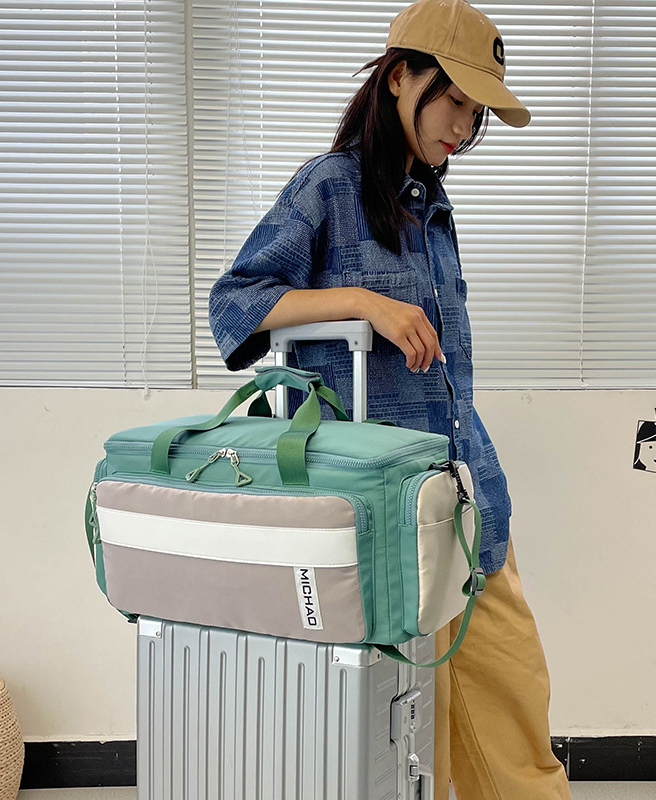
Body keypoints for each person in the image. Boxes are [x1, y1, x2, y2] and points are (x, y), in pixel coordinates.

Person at [209, 0, 572, 797]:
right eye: (455, 102)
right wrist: (361, 302)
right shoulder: (330, 185)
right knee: (401, 737)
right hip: (381, 513)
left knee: (514, 712)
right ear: (401, 77)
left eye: (476, 113)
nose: (463, 127)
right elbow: (236, 302)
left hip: (466, 496)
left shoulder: (431, 203)